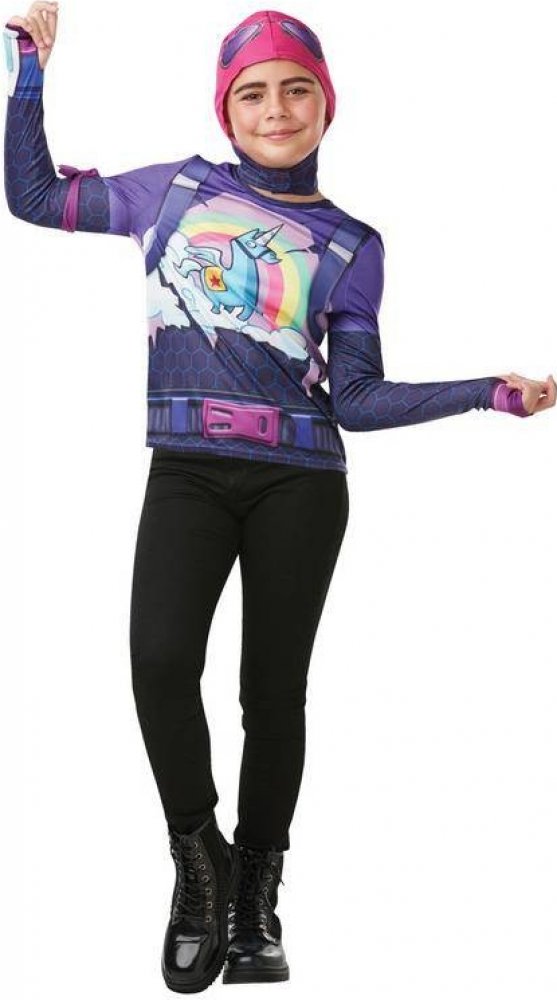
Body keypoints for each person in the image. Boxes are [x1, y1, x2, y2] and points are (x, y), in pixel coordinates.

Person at [4, 3, 555, 993]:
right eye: (252, 93)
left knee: (272, 693)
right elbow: (35, 198)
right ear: (226, 110)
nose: (275, 109)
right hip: (185, 470)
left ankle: (256, 897)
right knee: (158, 659)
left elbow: (355, 398)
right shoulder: (172, 193)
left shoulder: (350, 244)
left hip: (301, 485)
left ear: (325, 104)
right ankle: (198, 863)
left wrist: (486, 392)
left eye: (296, 89)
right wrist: (31, 72)